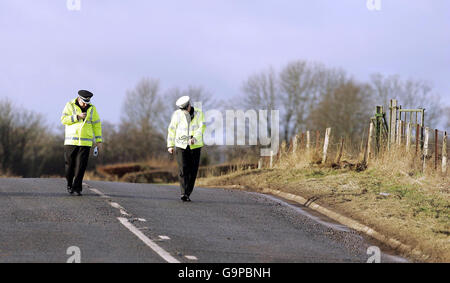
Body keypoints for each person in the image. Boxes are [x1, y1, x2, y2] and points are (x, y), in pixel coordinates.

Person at [61, 90, 103, 196]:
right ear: (79, 99)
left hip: (85, 143)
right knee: (70, 165)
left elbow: (97, 125)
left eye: (87, 102)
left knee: (81, 166)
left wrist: (98, 141)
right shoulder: (69, 105)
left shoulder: (92, 109)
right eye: (83, 102)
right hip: (71, 141)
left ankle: (77, 188)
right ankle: (69, 184)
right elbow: (63, 120)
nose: (85, 104)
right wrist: (77, 117)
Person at [167, 96, 205, 202]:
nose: (183, 111)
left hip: (195, 146)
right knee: (183, 169)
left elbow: (202, 127)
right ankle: (183, 193)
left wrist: (194, 138)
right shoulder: (176, 115)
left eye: (185, 109)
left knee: (193, 170)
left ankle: (188, 192)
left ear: (189, 106)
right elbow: (171, 130)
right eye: (181, 109)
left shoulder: (199, 113)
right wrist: (170, 145)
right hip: (181, 145)